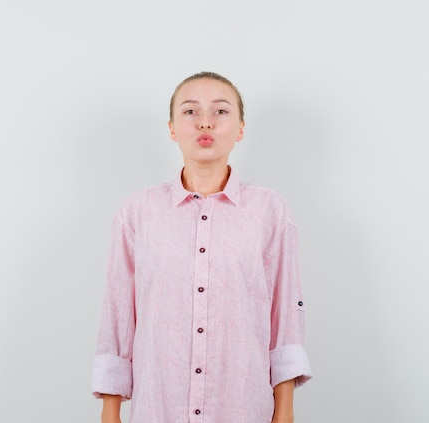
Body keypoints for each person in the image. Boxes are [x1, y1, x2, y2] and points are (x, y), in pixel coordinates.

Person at [91, 71, 312, 423]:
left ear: (240, 128)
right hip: (158, 408)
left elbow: (284, 314)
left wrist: (284, 412)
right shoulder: (137, 212)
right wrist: (110, 411)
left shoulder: (270, 211)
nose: (205, 123)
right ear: (172, 128)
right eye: (190, 111)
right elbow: (119, 311)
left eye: (220, 112)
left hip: (242, 407)